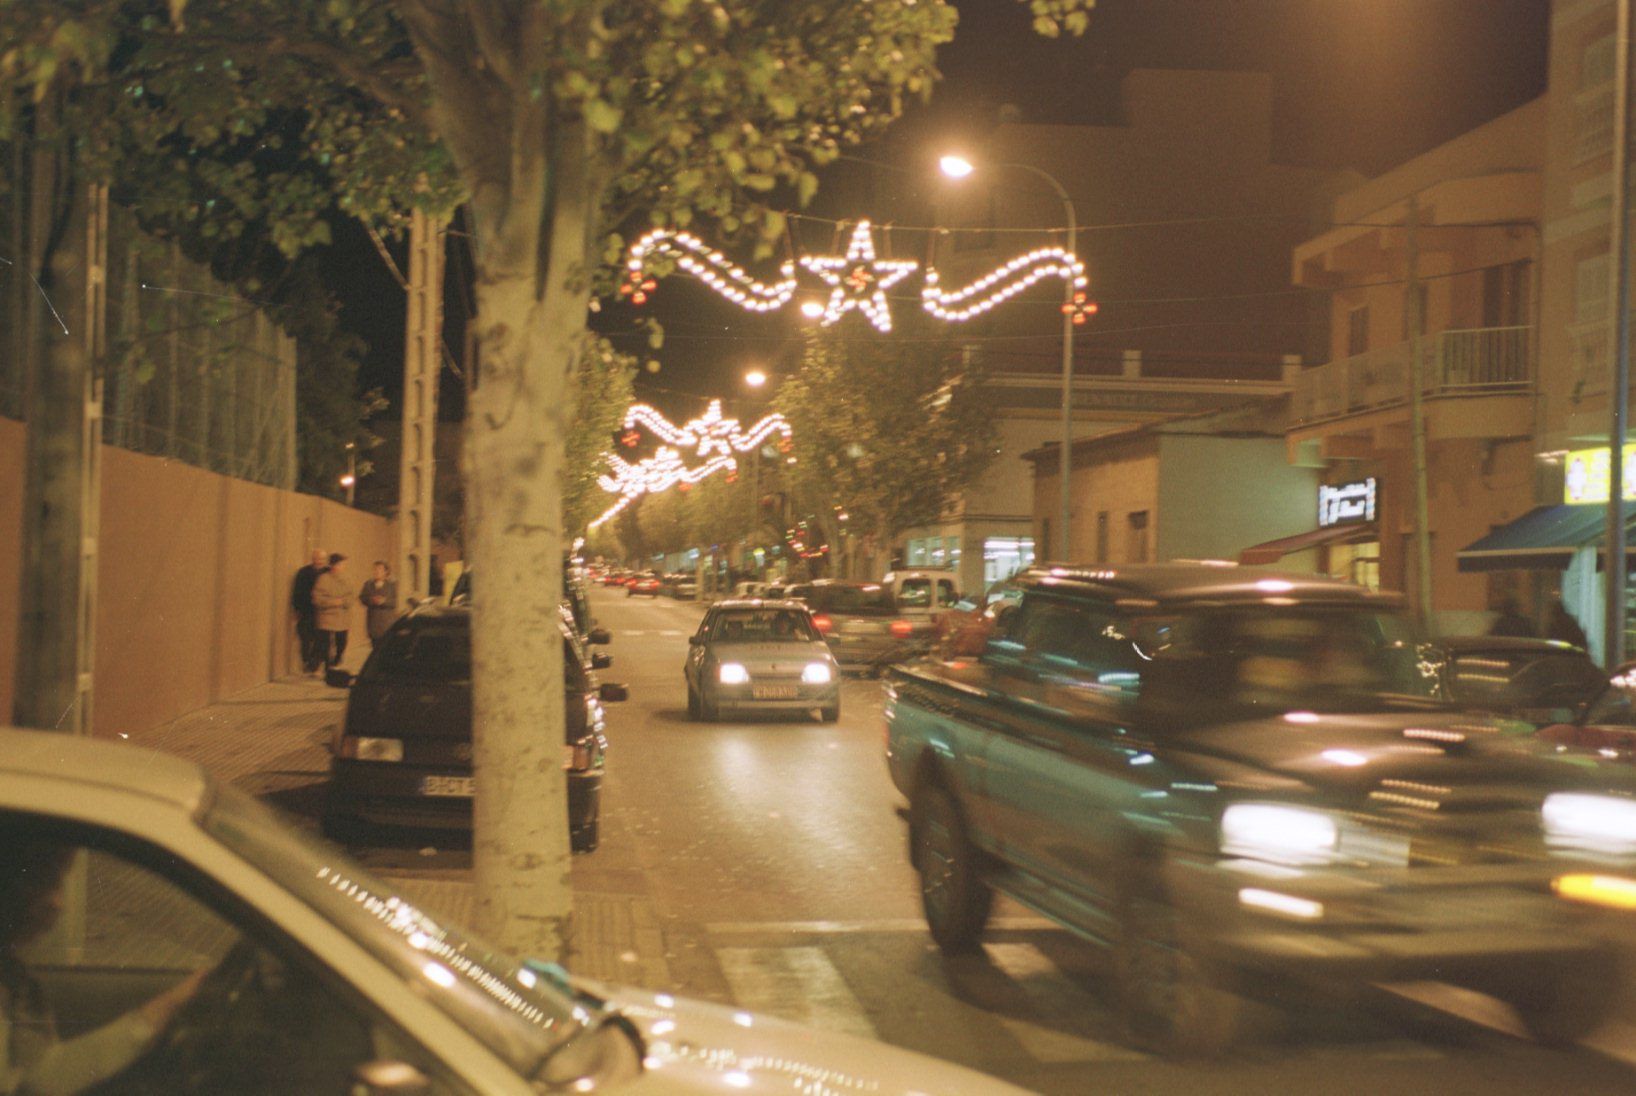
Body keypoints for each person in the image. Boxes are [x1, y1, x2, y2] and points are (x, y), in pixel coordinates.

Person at [0, 841, 204, 1093]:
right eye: (41, 880)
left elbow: (36, 1077)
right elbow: (36, 1086)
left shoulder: (12, 977)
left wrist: (165, 1007)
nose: (58, 902)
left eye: (58, 881)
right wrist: (163, 1008)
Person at [312, 553, 353, 674]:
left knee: (342, 642)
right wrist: (331, 602)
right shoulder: (323, 579)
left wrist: (343, 601)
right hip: (326, 617)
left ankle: (336, 661)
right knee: (325, 644)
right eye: (340, 564)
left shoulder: (347, 579)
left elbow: (351, 596)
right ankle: (328, 667)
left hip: (342, 616)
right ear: (333, 565)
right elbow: (316, 598)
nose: (342, 567)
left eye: (343, 565)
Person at [290, 549, 328, 674]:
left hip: (323, 612)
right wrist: (296, 608)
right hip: (306, 610)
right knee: (305, 638)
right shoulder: (303, 572)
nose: (319, 561)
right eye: (317, 558)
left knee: (320, 639)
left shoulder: (328, 573)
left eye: (322, 559)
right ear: (313, 558)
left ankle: (314, 664)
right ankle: (306, 660)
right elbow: (297, 591)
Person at [360, 561, 399, 645]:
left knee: (386, 649)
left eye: (380, 569)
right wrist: (371, 600)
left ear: (386, 572)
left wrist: (384, 601)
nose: (377, 571)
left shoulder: (391, 585)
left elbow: (394, 602)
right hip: (373, 622)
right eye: (375, 569)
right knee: (375, 647)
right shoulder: (368, 584)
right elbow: (362, 598)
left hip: (387, 623)